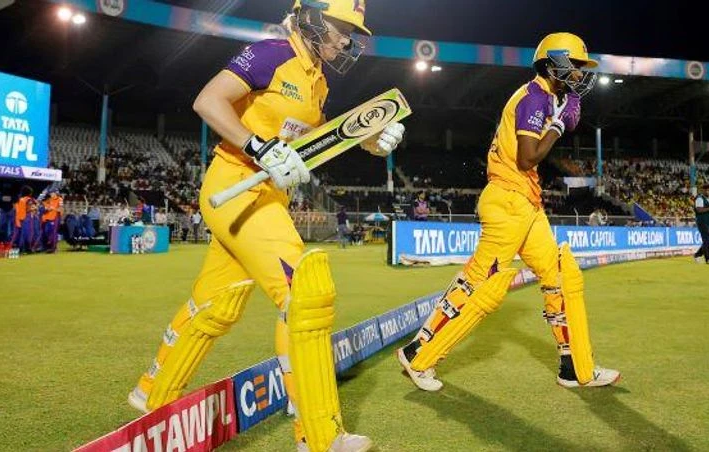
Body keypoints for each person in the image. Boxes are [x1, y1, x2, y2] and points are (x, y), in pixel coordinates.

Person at [128, 1, 405, 450]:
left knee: (218, 304)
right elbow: (208, 100)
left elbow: (306, 147)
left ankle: (152, 394)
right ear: (312, 18)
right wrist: (257, 146)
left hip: (268, 195)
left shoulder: (317, 81)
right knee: (305, 295)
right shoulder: (272, 54)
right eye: (340, 29)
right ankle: (317, 436)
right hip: (236, 184)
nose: (346, 41)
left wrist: (368, 138)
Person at [397, 32, 619, 392]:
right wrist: (558, 126)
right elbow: (527, 157)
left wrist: (557, 119)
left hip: (525, 203)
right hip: (508, 201)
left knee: (557, 277)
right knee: (479, 282)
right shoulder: (533, 98)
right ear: (553, 63)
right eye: (575, 66)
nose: (579, 75)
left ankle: (573, 366)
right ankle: (419, 351)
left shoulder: (545, 98)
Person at [693, 184, 709, 264]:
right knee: (707, 240)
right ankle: (708, 259)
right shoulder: (699, 199)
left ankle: (697, 255)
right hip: (702, 222)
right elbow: (699, 210)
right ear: (703, 190)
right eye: (708, 190)